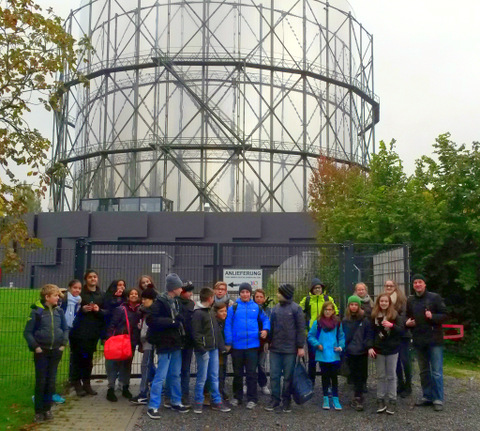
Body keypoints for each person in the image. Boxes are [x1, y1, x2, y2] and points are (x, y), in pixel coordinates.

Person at [145, 273, 190, 420]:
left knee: (174, 374)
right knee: (161, 375)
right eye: (179, 286)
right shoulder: (160, 302)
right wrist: (172, 322)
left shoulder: (175, 302)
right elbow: (151, 320)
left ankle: (175, 401)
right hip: (165, 343)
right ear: (174, 288)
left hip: (175, 343)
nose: (181, 289)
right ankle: (153, 406)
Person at [24, 284, 68, 423]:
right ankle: (38, 411)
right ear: (47, 297)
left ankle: (47, 409)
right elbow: (28, 332)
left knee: (51, 381)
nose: (58, 298)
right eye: (55, 295)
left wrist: (63, 344)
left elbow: (65, 328)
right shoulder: (37, 312)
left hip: (56, 350)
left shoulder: (59, 312)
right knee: (41, 381)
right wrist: (36, 347)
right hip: (41, 351)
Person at [224, 282, 270, 409]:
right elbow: (228, 325)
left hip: (252, 346)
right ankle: (237, 397)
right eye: (243, 292)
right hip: (237, 346)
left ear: (251, 293)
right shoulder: (233, 307)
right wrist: (229, 342)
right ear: (240, 293)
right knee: (237, 374)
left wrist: (265, 330)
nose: (245, 294)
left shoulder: (257, 308)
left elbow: (266, 319)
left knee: (251, 374)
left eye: (247, 292)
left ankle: (252, 398)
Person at [406, 274, 447, 412]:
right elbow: (407, 316)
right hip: (419, 340)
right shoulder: (410, 300)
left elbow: (445, 315)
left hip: (434, 340)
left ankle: (438, 398)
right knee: (423, 371)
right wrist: (407, 323)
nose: (417, 284)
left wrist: (433, 316)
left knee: (436, 371)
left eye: (420, 282)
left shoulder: (434, 298)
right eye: (415, 282)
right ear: (413, 285)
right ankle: (427, 396)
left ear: (425, 284)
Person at [264, 284, 305, 413]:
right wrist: (268, 341)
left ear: (285, 293)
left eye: (279, 292)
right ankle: (275, 399)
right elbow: (271, 326)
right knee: (274, 375)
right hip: (275, 348)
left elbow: (300, 329)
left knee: (288, 376)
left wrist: (300, 346)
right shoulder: (275, 309)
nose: (277, 294)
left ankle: (286, 401)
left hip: (290, 350)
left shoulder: (296, 309)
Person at [191, 287, 231, 414]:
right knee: (202, 377)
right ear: (210, 298)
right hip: (204, 350)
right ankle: (198, 401)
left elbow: (216, 332)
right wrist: (202, 350)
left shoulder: (209, 312)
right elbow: (195, 334)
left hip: (213, 349)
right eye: (213, 297)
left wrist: (221, 347)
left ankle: (216, 401)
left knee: (214, 376)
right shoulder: (199, 313)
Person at [69, 269, 105, 397]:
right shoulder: (80, 293)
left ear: (97, 279)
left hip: (93, 332)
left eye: (95, 277)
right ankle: (76, 383)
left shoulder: (101, 294)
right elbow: (71, 311)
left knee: (88, 359)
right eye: (90, 277)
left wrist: (98, 310)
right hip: (78, 332)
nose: (93, 279)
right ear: (86, 279)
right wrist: (82, 310)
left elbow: (106, 313)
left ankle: (87, 383)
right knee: (77, 358)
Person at [369, 292, 404, 415]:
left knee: (391, 375)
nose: (383, 303)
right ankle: (380, 399)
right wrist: (370, 347)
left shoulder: (395, 315)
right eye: (381, 301)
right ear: (378, 303)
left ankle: (392, 400)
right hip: (378, 349)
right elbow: (371, 333)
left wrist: (392, 326)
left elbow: (402, 331)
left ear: (389, 303)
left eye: (386, 301)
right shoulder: (374, 316)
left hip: (392, 349)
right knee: (380, 375)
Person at [299, 278, 338, 384]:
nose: (317, 290)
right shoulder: (307, 300)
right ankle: (311, 382)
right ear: (312, 289)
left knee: (325, 359)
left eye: (319, 288)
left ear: (322, 288)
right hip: (312, 333)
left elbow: (336, 312)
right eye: (315, 288)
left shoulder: (327, 299)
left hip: (326, 333)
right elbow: (298, 311)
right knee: (312, 359)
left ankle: (326, 383)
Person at [105, 287, 142, 402]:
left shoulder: (140, 310)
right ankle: (111, 388)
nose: (134, 295)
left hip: (132, 342)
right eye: (131, 294)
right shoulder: (121, 309)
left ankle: (125, 386)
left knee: (127, 365)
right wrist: (110, 339)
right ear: (127, 296)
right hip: (120, 341)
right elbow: (113, 324)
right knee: (114, 364)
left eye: (136, 294)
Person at [307, 301, 345, 411]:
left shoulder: (337, 323)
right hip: (323, 354)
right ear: (323, 311)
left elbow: (341, 336)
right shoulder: (318, 323)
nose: (328, 311)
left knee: (334, 377)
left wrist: (341, 347)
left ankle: (336, 398)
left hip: (334, 354)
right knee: (325, 377)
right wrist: (317, 344)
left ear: (333, 311)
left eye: (330, 309)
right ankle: (325, 398)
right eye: (326, 309)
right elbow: (310, 336)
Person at [342, 295, 373, 412]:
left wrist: (368, 346)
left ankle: (358, 397)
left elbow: (369, 334)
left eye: (356, 305)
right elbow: (343, 335)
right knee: (353, 374)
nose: (354, 307)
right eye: (352, 305)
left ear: (359, 306)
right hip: (350, 351)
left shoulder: (365, 320)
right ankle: (356, 394)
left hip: (361, 351)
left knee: (361, 374)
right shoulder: (345, 320)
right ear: (349, 306)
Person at [383, 279, 412, 397]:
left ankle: (408, 385)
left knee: (405, 360)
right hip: (391, 335)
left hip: (402, 334)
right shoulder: (384, 299)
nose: (389, 287)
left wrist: (394, 324)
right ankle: (400, 384)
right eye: (387, 285)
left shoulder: (401, 300)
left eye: (391, 285)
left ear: (395, 287)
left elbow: (404, 316)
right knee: (396, 362)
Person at [130, 287, 157, 405]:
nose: (143, 301)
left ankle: (143, 393)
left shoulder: (152, 312)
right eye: (143, 298)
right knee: (147, 366)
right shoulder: (143, 311)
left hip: (150, 342)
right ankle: (148, 390)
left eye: (146, 299)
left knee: (145, 366)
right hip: (145, 341)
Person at [178, 280, 195, 407]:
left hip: (188, 342)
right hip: (176, 341)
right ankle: (172, 394)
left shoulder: (192, 304)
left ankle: (185, 395)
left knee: (185, 369)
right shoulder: (175, 303)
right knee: (174, 370)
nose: (190, 293)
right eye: (188, 291)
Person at [253, 289, 272, 395]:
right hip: (252, 341)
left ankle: (263, 384)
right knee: (250, 365)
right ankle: (248, 384)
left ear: (264, 299)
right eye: (257, 297)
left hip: (263, 342)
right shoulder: (250, 309)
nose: (259, 299)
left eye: (261, 297)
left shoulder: (269, 311)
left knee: (261, 364)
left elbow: (271, 327)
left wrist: (268, 341)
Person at [213, 302, 229, 401]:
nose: (224, 313)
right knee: (216, 371)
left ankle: (221, 389)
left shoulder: (225, 322)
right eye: (221, 311)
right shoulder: (215, 323)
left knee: (223, 370)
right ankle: (215, 392)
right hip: (216, 350)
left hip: (224, 350)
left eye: (225, 311)